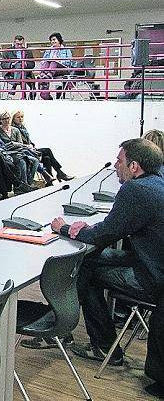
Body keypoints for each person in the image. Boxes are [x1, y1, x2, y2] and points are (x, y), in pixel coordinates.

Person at [47, 139, 164, 397]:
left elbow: (104, 234)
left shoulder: (136, 190)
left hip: (153, 277)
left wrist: (65, 229)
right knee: (89, 260)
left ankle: (89, 338)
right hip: (155, 263)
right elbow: (112, 230)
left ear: (134, 166)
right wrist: (91, 231)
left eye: (119, 161)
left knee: (84, 271)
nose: (115, 166)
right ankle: (70, 327)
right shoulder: (158, 183)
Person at [11, 111, 72, 181]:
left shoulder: (23, 128)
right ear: (13, 119)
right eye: (18, 117)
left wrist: (31, 144)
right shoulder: (13, 129)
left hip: (31, 149)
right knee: (47, 150)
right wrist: (28, 146)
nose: (20, 119)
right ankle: (59, 173)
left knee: (47, 158)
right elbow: (17, 143)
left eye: (22, 117)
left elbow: (29, 141)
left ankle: (50, 180)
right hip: (24, 151)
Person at [37, 32, 72, 99]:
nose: (52, 41)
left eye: (54, 39)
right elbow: (43, 60)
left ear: (59, 40)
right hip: (50, 70)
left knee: (54, 62)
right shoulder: (48, 50)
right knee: (46, 62)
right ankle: (46, 95)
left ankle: (46, 76)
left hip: (63, 69)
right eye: (51, 40)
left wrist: (59, 61)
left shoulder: (66, 49)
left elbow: (69, 62)